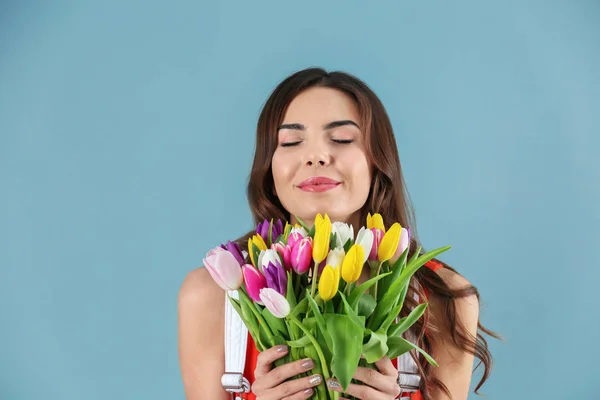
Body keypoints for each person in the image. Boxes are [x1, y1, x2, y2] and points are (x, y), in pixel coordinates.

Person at [178, 67, 499, 400]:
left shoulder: (443, 299)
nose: (316, 156)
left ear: (378, 162)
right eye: (290, 141)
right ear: (269, 168)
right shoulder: (212, 296)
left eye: (343, 139)